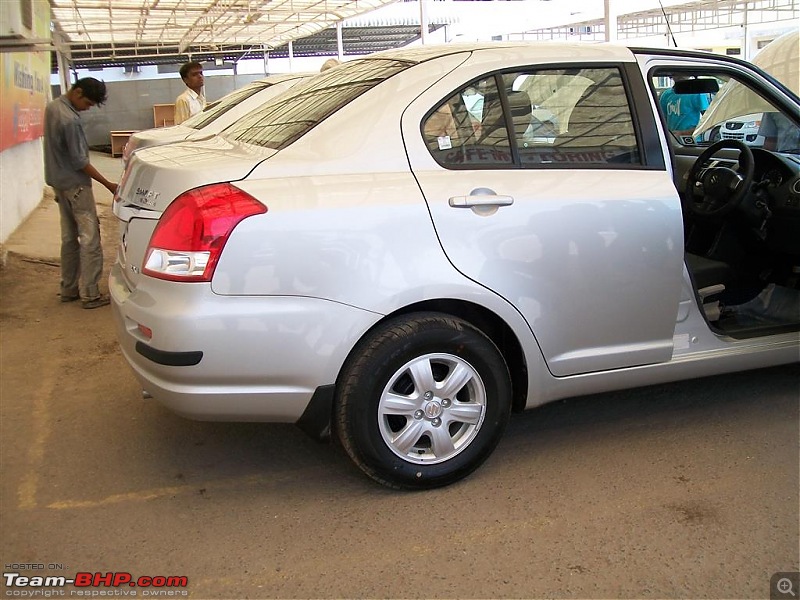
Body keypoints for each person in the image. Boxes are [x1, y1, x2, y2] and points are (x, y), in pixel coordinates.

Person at [43, 78, 118, 309]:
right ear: (76, 92)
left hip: (58, 182)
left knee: (68, 237)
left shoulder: (52, 107)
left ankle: (68, 288)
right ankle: (91, 293)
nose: (88, 108)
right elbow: (79, 161)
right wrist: (108, 183)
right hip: (76, 186)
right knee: (90, 239)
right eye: (87, 102)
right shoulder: (70, 120)